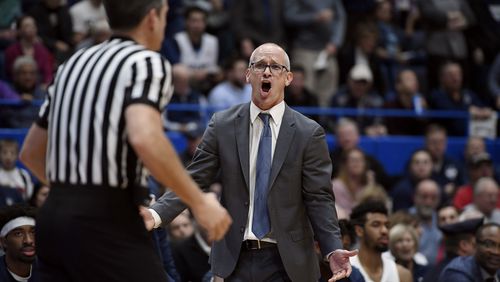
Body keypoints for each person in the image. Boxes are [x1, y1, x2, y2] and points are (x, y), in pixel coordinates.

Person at [18, 0, 232, 281]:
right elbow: (145, 136)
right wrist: (200, 203)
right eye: (167, 15)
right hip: (107, 220)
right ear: (153, 18)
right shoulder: (146, 61)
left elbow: (31, 153)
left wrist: (73, 196)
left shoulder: (72, 63)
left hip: (53, 217)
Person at [145, 43, 357, 281]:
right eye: (259, 66)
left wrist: (331, 247)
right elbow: (194, 178)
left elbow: (319, 197)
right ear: (248, 75)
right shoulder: (222, 125)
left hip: (288, 261)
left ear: (288, 78)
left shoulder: (309, 133)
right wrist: (155, 215)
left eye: (275, 67)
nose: (266, 72)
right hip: (235, 259)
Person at [349, 200, 412, 282]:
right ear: (359, 231)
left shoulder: (402, 274)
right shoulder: (345, 269)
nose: (384, 231)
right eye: (376, 225)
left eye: (387, 225)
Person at [422, 217, 483, 282]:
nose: (480, 248)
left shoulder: (435, 270)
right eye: (476, 244)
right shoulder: (459, 272)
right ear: (464, 245)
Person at [0, 204, 39, 282]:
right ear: (3, 242)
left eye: (33, 232)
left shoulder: (50, 273)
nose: (28, 241)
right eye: (18, 234)